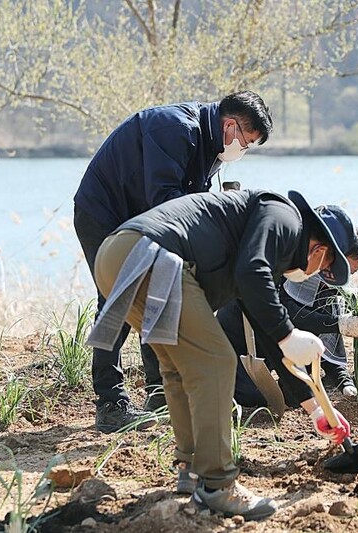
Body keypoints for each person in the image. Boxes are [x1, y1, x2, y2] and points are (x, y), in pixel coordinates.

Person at [86, 189, 356, 520]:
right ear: (318, 249)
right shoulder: (283, 217)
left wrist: (314, 406)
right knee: (217, 361)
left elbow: (265, 326)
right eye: (323, 268)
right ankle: (218, 486)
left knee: (179, 369)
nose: (315, 275)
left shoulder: (261, 244)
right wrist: (289, 333)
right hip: (151, 256)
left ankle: (192, 469)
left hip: (117, 256)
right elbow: (252, 275)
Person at [74, 91, 272, 433]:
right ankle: (110, 403)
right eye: (247, 142)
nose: (244, 150)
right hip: (104, 214)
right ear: (230, 125)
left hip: (144, 220)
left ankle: (158, 393)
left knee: (160, 292)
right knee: (117, 300)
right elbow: (165, 199)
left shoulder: (211, 146)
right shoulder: (176, 129)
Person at [218, 228, 358, 407]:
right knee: (253, 399)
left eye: (350, 274)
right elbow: (289, 313)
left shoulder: (330, 289)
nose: (340, 277)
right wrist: (338, 324)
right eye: (340, 269)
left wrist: (344, 382)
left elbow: (327, 341)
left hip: (277, 349)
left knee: (298, 398)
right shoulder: (293, 269)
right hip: (240, 340)